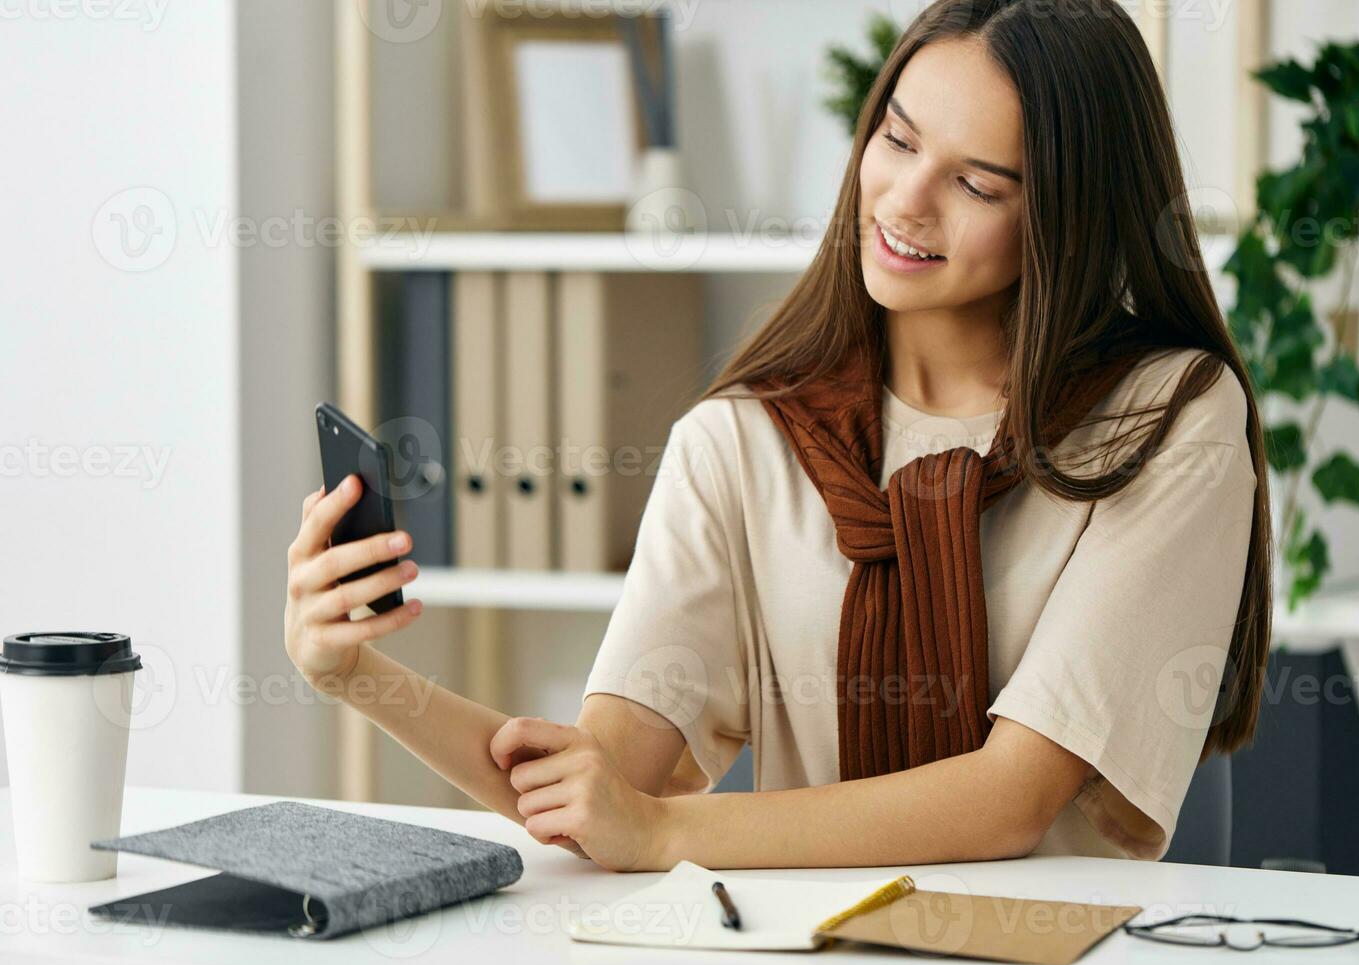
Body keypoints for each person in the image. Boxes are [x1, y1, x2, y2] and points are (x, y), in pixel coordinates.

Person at [284, 0, 1271, 873]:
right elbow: (599, 788)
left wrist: (669, 832)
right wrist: (358, 674)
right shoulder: (744, 438)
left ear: (1069, 216)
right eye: (896, 138)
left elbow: (1015, 796)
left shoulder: (1167, 417)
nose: (905, 200)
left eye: (978, 184)